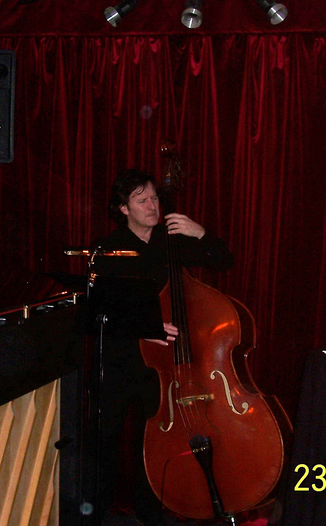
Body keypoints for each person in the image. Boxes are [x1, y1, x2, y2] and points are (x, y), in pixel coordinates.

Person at [90, 169, 233, 525]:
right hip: (121, 361)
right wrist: (143, 328)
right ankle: (98, 513)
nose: (153, 206)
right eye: (142, 201)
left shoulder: (171, 240)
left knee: (151, 441)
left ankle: (150, 511)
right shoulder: (110, 248)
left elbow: (224, 260)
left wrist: (200, 232)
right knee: (105, 440)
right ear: (124, 209)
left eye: (154, 198)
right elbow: (99, 312)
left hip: (163, 366)